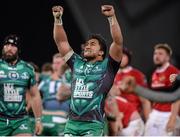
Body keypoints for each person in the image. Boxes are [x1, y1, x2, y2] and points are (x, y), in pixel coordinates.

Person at [52, 4, 123, 136]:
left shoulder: (108, 66)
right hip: (71, 124)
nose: (87, 46)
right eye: (86, 44)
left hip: (93, 125)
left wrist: (112, 18)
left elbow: (118, 42)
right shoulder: (76, 63)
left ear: (101, 52)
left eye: (92, 44)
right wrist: (58, 20)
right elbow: (61, 42)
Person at [0, 34, 43, 136]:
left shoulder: (27, 69)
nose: (9, 48)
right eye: (7, 45)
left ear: (18, 50)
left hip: (21, 120)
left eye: (13, 46)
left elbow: (35, 96)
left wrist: (38, 120)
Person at [113, 47, 151, 121]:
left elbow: (145, 101)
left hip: (133, 116)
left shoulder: (137, 75)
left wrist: (148, 122)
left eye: (123, 56)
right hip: (116, 116)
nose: (120, 58)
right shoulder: (111, 74)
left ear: (128, 58)